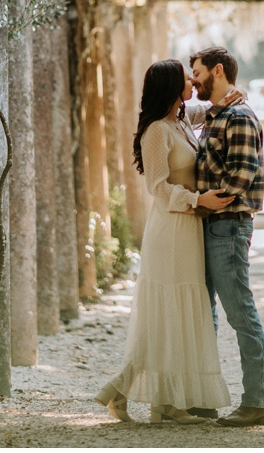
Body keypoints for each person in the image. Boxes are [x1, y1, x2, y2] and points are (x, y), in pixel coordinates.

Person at [94, 59, 238, 424]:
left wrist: (232, 96)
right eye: (186, 79)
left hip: (188, 229)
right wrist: (197, 200)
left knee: (176, 316)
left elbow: (209, 107)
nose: (193, 82)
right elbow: (156, 187)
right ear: (173, 87)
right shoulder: (157, 131)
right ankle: (132, 393)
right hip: (170, 228)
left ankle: (162, 403)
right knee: (166, 315)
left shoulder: (180, 121)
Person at [189, 46, 264, 427]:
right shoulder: (217, 114)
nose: (193, 81)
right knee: (205, 316)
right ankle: (206, 398)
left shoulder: (238, 116)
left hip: (227, 225)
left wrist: (201, 204)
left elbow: (240, 179)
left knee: (240, 313)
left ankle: (255, 403)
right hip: (207, 223)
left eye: (197, 73)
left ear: (217, 71)